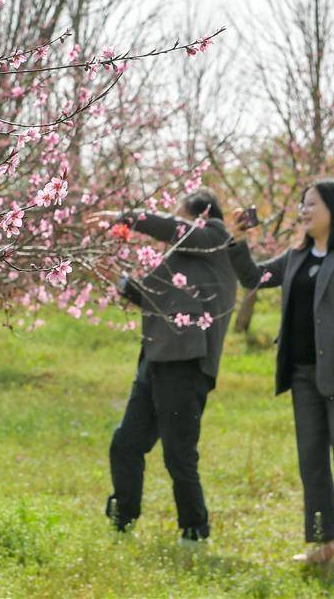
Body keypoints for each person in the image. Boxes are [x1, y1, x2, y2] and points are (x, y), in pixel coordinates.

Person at [225, 180, 334, 573]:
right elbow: (254, 278)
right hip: (301, 373)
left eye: (312, 204)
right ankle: (324, 542)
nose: (303, 211)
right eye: (302, 204)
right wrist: (237, 241)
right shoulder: (296, 256)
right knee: (311, 459)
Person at [95, 190, 236, 545]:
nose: (176, 221)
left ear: (201, 216)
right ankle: (123, 518)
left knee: (178, 454)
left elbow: (175, 229)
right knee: (125, 443)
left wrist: (126, 217)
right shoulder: (183, 258)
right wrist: (120, 281)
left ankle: (194, 530)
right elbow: (154, 300)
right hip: (154, 360)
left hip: (186, 365)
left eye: (180, 215)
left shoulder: (215, 239)